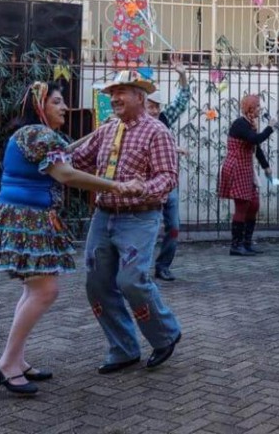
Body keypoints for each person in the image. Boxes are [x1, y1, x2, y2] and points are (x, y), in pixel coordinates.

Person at [0, 81, 139, 396]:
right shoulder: (37, 134)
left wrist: (98, 132)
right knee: (45, 291)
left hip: (24, 218)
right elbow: (66, 174)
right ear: (39, 107)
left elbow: (64, 151)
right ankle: (6, 365)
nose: (64, 107)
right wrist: (117, 186)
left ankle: (16, 360)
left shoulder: (36, 135)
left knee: (33, 291)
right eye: (57, 102)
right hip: (26, 219)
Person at [71, 70, 183, 375]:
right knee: (96, 284)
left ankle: (166, 335)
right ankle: (123, 348)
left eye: (122, 92)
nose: (115, 98)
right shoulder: (107, 130)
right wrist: (49, 154)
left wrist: (142, 187)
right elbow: (78, 161)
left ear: (140, 97)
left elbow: (168, 177)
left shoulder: (156, 131)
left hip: (139, 216)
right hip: (103, 215)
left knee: (130, 280)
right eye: (112, 93)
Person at [146, 58, 191, 281]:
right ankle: (138, 267)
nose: (153, 111)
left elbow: (182, 100)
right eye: (149, 106)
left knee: (173, 226)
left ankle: (163, 265)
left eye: (156, 107)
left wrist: (182, 75)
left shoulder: (163, 119)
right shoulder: (133, 125)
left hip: (168, 184)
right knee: (148, 228)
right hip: (146, 185)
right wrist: (175, 147)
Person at [218, 94, 278, 256]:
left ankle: (247, 243)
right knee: (242, 205)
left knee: (253, 205)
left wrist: (266, 167)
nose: (260, 109)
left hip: (246, 168)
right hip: (237, 167)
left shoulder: (249, 123)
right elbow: (256, 139)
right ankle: (236, 246)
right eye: (257, 106)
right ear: (250, 108)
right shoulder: (240, 124)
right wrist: (270, 127)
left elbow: (255, 146)